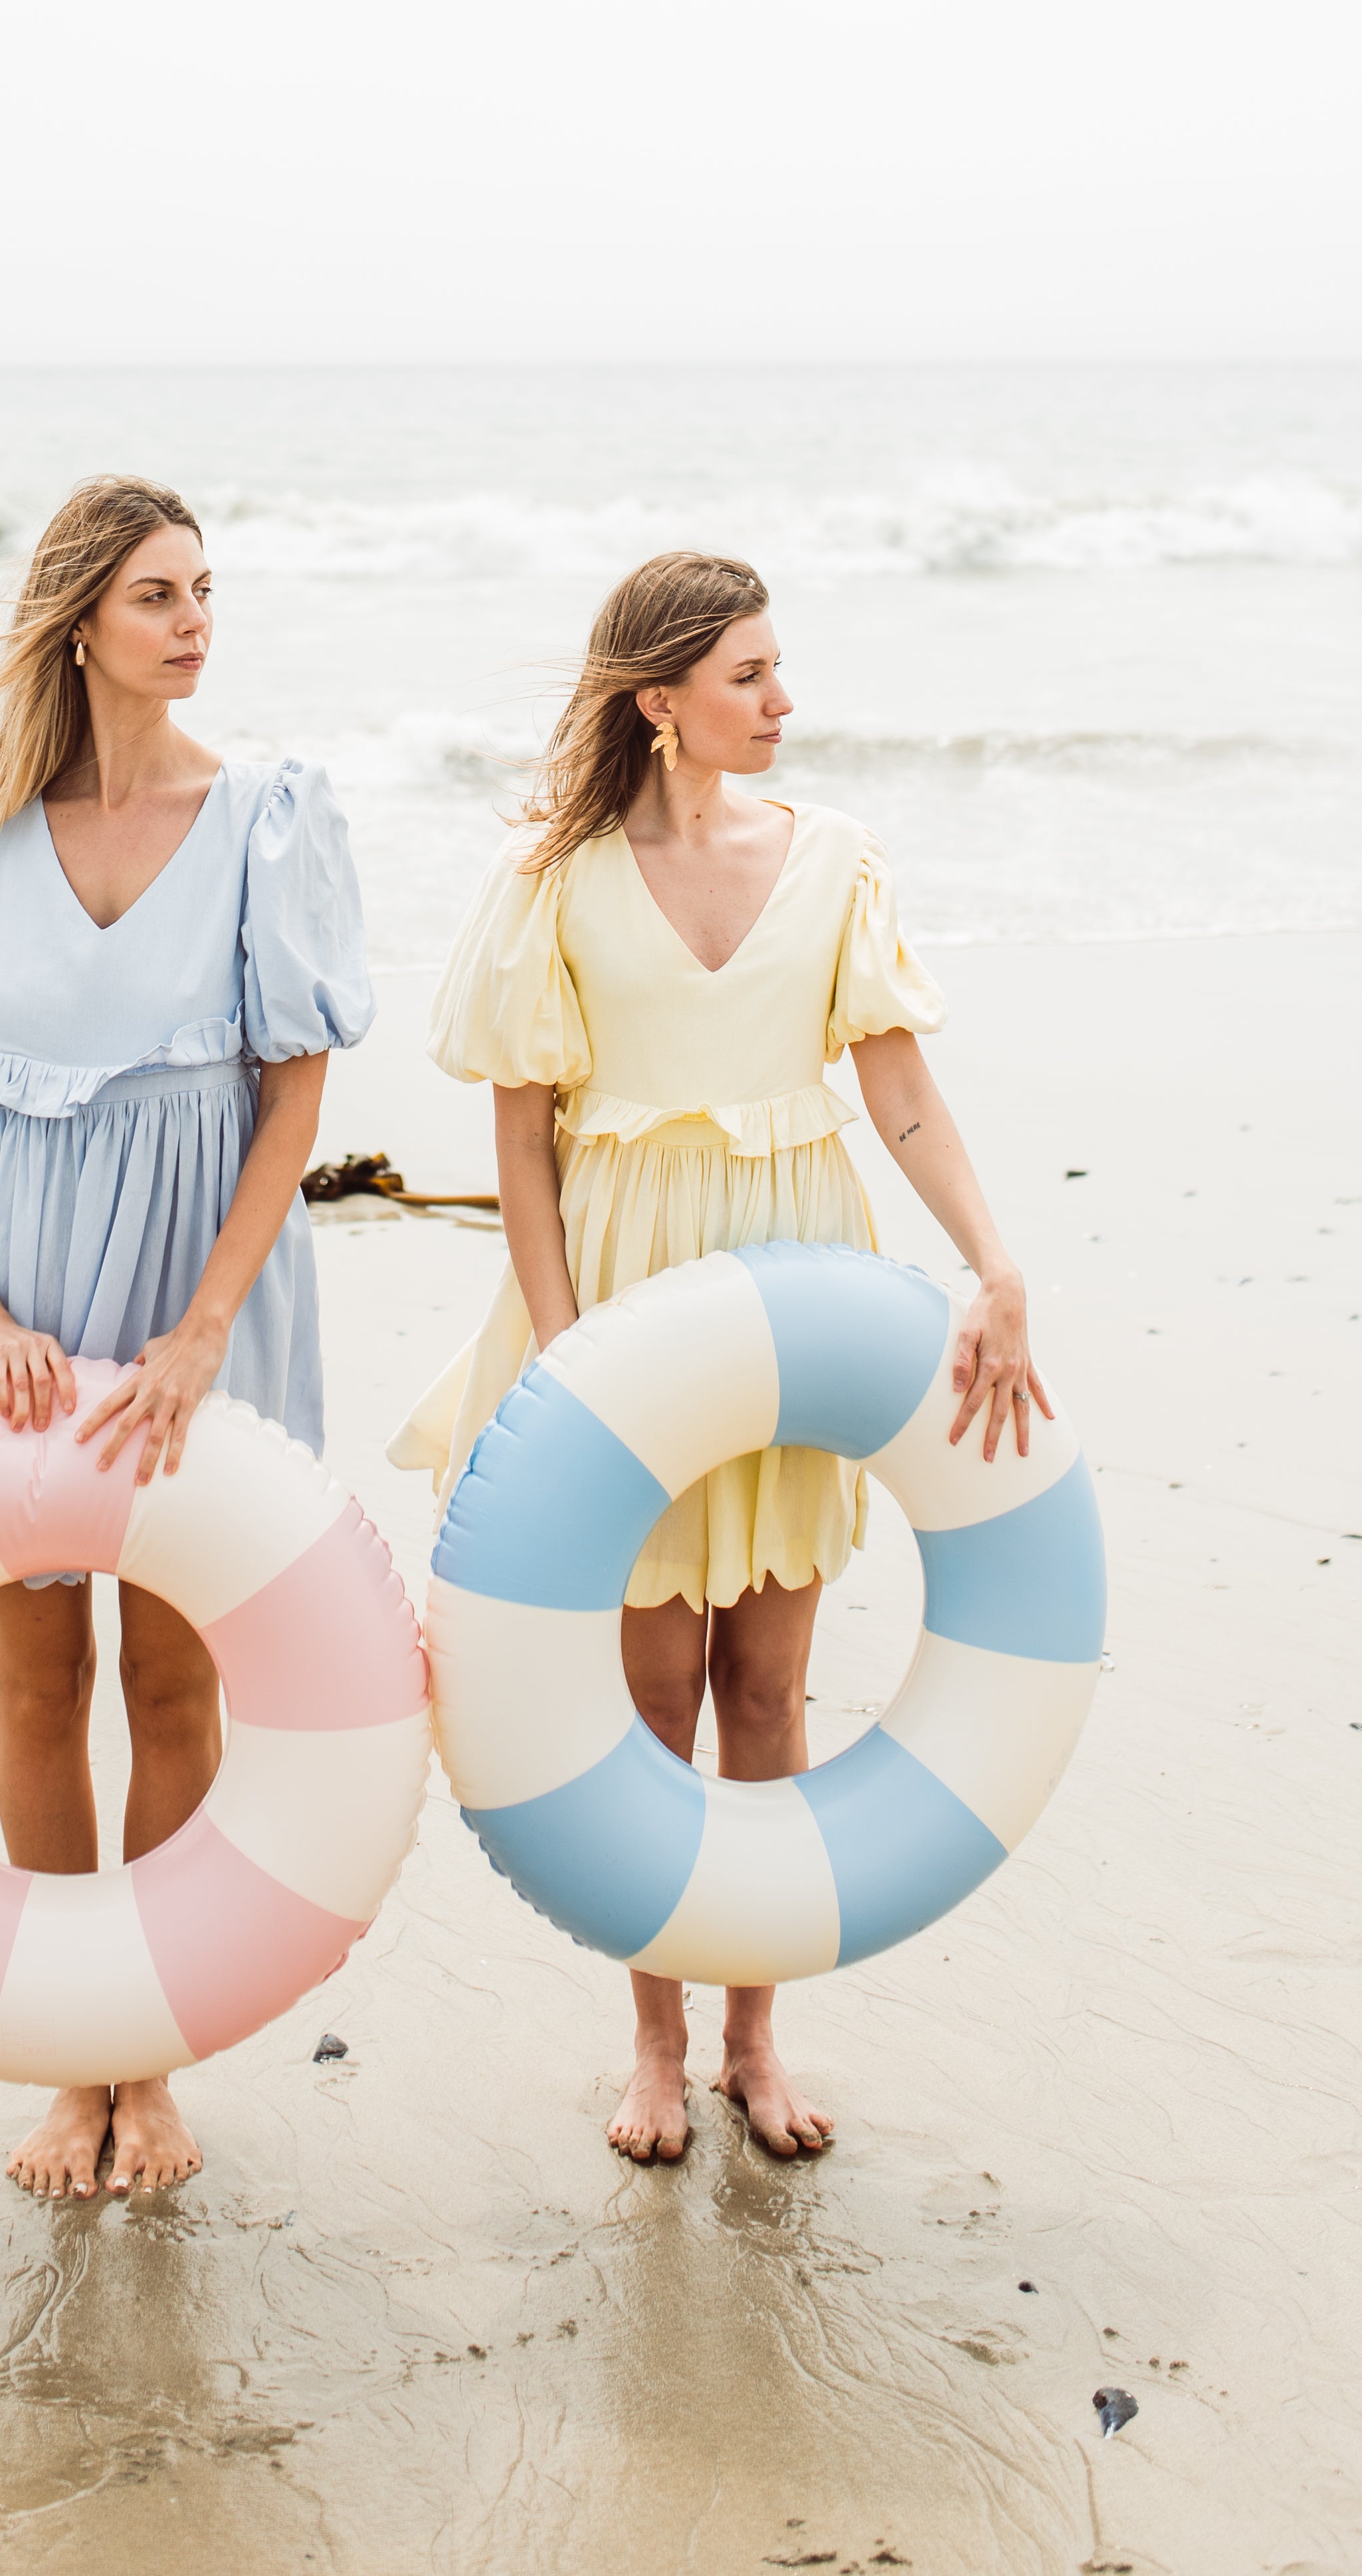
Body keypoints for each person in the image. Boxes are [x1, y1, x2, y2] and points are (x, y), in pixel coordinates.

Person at [393, 549, 1046, 2165]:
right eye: (749, 674)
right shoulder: (554, 877)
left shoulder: (832, 860)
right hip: (622, 1288)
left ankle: (757, 2037)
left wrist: (991, 1257)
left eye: (778, 668)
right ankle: (652, 2042)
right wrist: (565, 1361)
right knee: (650, 1703)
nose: (782, 700)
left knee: (766, 1682)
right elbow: (524, 1143)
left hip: (797, 1282)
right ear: (657, 701)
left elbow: (896, 1089)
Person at [0, 472, 371, 2199]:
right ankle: (72, 2062)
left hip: (189, 1308)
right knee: (35, 1671)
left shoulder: (268, 819)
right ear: (84, 621)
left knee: (168, 1672)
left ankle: (147, 2069)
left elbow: (294, 1103)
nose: (196, 621)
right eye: (159, 595)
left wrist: (206, 1330)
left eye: (205, 589)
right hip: (12, 1302)